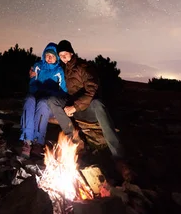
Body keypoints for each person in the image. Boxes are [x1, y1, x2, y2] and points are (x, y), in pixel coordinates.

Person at [48, 39, 132, 180]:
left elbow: (92, 90)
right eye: (61, 55)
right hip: (74, 105)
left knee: (98, 104)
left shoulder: (84, 67)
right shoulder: (64, 69)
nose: (63, 58)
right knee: (52, 101)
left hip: (87, 108)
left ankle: (119, 158)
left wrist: (74, 107)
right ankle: (75, 140)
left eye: (65, 54)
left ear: (71, 52)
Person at [20, 42, 67, 159]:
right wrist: (35, 86)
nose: (49, 58)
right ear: (43, 55)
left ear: (56, 57)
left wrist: (48, 92)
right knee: (30, 100)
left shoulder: (59, 71)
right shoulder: (37, 66)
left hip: (48, 101)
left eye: (52, 55)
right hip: (36, 96)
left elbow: (63, 92)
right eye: (47, 55)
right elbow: (32, 86)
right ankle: (27, 140)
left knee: (43, 103)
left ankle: (38, 141)